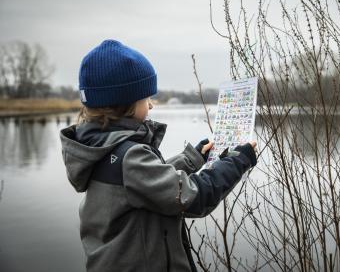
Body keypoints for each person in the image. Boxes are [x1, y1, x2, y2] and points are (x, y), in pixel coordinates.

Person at [59, 39, 257, 272]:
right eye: (146, 98)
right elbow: (194, 197)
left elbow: (142, 182)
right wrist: (239, 160)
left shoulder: (99, 146)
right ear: (125, 104)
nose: (151, 105)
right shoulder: (130, 157)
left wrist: (192, 158)